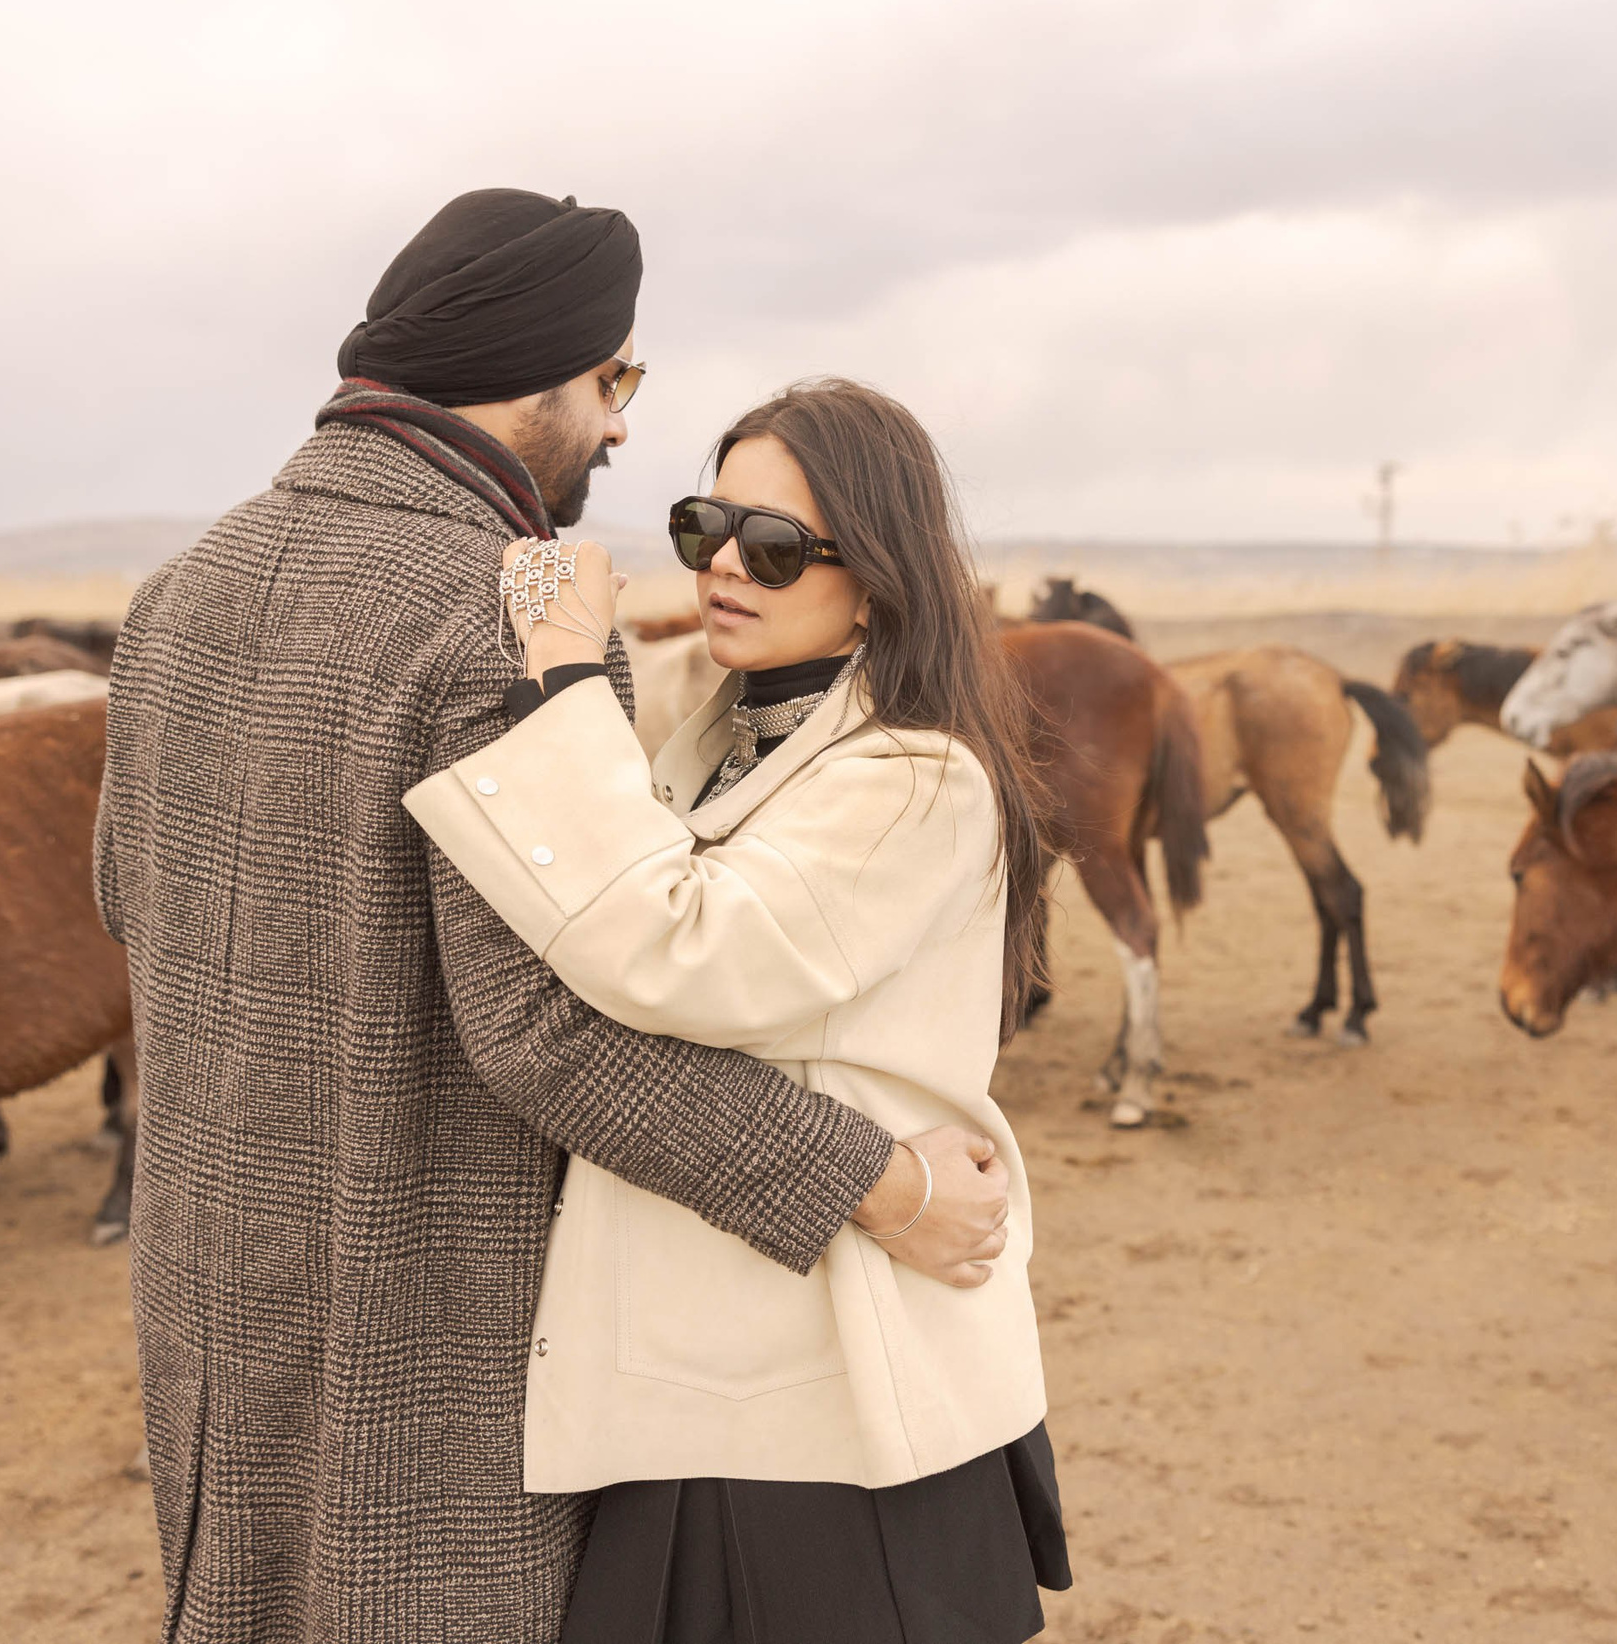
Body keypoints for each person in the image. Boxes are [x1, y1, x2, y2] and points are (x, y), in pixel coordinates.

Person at [93, 192, 1007, 1644]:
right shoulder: (503, 611)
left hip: (207, 1288)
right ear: (533, 378)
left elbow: (128, 905)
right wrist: (873, 1182)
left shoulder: (176, 595)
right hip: (426, 1314)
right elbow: (552, 1042)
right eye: (613, 384)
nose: (624, 431)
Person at [405, 378, 1072, 1643]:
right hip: (706, 1367)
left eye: (774, 548)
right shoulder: (723, 734)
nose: (726, 567)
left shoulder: (917, 775)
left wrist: (560, 678)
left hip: (823, 1401)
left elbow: (678, 951)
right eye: (705, 527)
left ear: (875, 578)